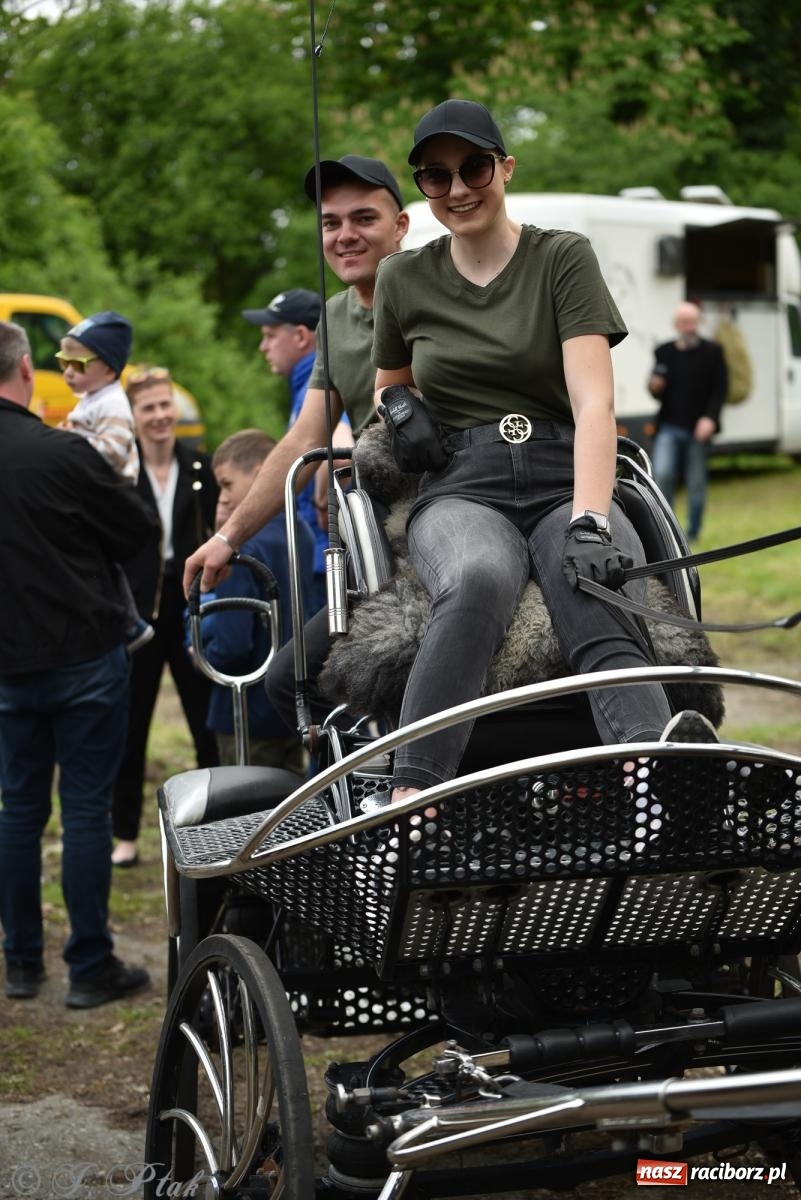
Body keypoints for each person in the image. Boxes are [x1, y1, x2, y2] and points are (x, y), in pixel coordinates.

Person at [370, 99, 718, 807]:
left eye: (473, 167)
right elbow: (390, 387)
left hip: (567, 473)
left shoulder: (560, 256)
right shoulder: (401, 278)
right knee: (476, 578)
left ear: (504, 167)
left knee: (587, 587)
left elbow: (594, 403)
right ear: (422, 187)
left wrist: (590, 519)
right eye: (435, 177)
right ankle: (413, 792)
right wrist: (401, 412)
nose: (458, 188)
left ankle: (650, 781)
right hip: (464, 484)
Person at [184, 155, 409, 736]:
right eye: (331, 223)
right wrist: (226, 537)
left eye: (364, 218)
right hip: (376, 548)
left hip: (439, 529)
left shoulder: (429, 295)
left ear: (401, 226)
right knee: (290, 681)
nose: (345, 235)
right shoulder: (335, 317)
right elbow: (302, 438)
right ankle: (362, 809)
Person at [0, 321, 157, 1006]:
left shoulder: (63, 447)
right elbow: (137, 530)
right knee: (86, 809)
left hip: (6, 663)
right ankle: (88, 968)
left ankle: (21, 963)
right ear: (26, 369)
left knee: (18, 810)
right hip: (85, 653)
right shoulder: (62, 452)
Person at [111, 367, 219, 868]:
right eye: (147, 408)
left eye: (164, 405)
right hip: (137, 612)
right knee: (131, 726)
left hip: (189, 605)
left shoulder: (199, 469)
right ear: (133, 417)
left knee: (204, 720)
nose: (158, 416)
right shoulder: (119, 474)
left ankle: (217, 825)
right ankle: (124, 834)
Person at [195, 430, 317, 769]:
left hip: (244, 707)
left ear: (264, 472)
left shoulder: (244, 548)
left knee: (247, 812)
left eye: (227, 484)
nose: (221, 497)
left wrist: (201, 652)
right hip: (289, 704)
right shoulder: (300, 531)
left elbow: (232, 644)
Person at [57, 310, 153, 652]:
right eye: (63, 361)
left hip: (111, 492)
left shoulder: (112, 404)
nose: (68, 371)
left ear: (109, 369)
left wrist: (69, 444)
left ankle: (130, 622)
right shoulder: (90, 400)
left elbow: (111, 451)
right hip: (93, 490)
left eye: (78, 364)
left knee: (105, 564)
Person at [242, 288, 339, 612]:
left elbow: (339, 449)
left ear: (300, 336)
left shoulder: (319, 382)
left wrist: (322, 501)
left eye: (270, 335)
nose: (263, 346)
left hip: (324, 560)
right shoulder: (306, 383)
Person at [648, 301, 728, 542]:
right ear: (676, 325)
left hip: (698, 428)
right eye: (684, 322)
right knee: (663, 475)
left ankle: (693, 532)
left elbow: (720, 389)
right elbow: (655, 388)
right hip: (669, 426)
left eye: (692, 322)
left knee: (695, 482)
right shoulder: (664, 352)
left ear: (699, 323)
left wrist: (710, 419)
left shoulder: (713, 352)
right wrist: (654, 387)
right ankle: (667, 531)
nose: (688, 327)